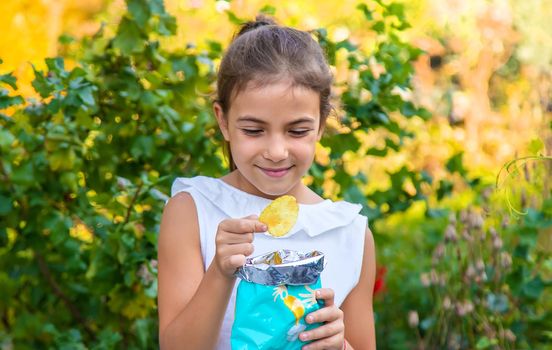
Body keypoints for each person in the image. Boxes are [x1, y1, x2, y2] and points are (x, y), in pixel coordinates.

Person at [157, 15, 376, 350]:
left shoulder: (350, 234)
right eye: (254, 130)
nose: (276, 151)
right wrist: (220, 271)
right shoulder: (193, 211)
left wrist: (339, 345)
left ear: (320, 126)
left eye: (297, 131)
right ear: (223, 121)